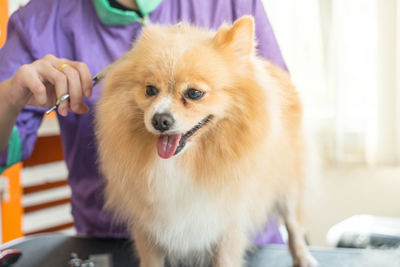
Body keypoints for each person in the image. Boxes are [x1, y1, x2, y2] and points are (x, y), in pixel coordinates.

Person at [0, 0, 286, 244]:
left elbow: (282, 114)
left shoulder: (232, 4)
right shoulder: (41, 21)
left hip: (239, 234)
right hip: (120, 238)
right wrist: (7, 98)